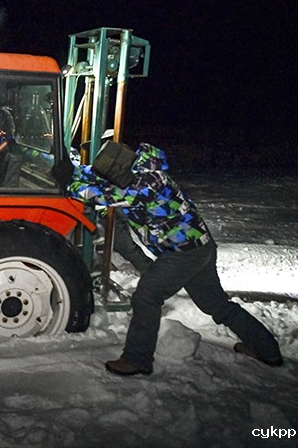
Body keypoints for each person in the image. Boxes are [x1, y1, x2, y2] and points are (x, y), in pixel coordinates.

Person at [61, 141, 283, 376]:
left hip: (183, 253)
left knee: (147, 296)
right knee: (216, 304)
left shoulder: (146, 185)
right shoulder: (141, 172)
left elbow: (99, 196)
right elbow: (103, 179)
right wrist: (74, 169)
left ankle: (137, 359)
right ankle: (266, 348)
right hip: (199, 247)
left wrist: (68, 183)